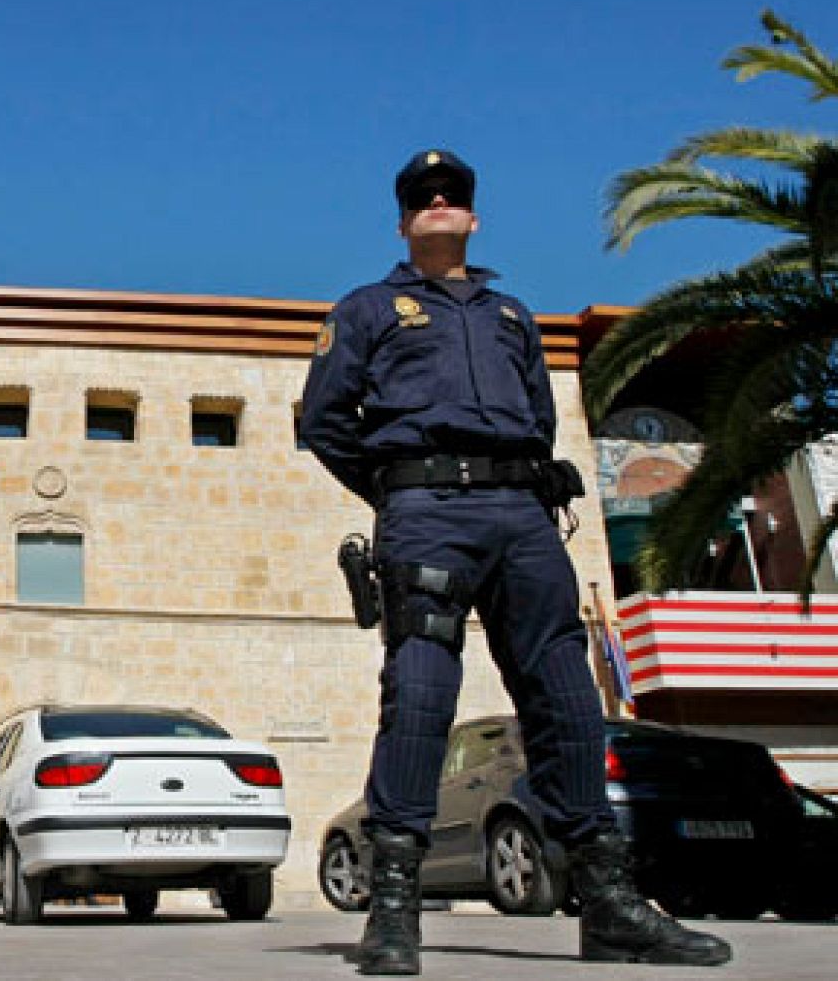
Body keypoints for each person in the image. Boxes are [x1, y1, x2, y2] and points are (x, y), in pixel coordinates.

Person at [298, 150, 730, 976]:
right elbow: (324, 421)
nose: (437, 202)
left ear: (473, 216)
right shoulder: (368, 308)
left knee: (566, 698)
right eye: (421, 197)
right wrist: (399, 491)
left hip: (523, 518)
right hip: (426, 513)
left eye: (451, 195)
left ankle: (609, 904)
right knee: (421, 695)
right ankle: (394, 910)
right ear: (403, 222)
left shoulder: (510, 315)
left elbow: (538, 418)